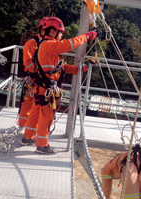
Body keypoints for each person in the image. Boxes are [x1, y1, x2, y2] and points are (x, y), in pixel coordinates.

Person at [20, 16, 101, 154]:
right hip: (46, 87)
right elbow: (68, 44)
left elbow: (60, 65)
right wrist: (87, 36)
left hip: (41, 86)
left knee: (35, 112)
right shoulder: (49, 45)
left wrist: (77, 70)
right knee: (47, 116)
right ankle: (42, 145)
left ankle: (28, 137)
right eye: (60, 32)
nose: (61, 35)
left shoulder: (44, 46)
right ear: (52, 32)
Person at [18, 17, 49, 134]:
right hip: (32, 78)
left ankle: (32, 128)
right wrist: (39, 72)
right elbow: (28, 62)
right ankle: (22, 127)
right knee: (27, 103)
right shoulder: (32, 43)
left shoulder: (46, 44)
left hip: (41, 79)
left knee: (38, 104)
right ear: (41, 30)